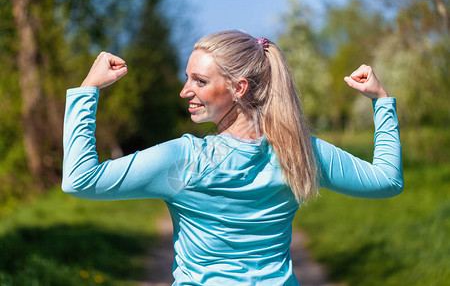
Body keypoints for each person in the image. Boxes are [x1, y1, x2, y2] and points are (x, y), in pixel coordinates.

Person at [62, 30, 403, 285]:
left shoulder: (184, 159)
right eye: (187, 78)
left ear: (238, 88)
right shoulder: (300, 151)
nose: (185, 91)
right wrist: (381, 102)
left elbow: (80, 180)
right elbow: (387, 181)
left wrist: (87, 90)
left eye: (199, 80)